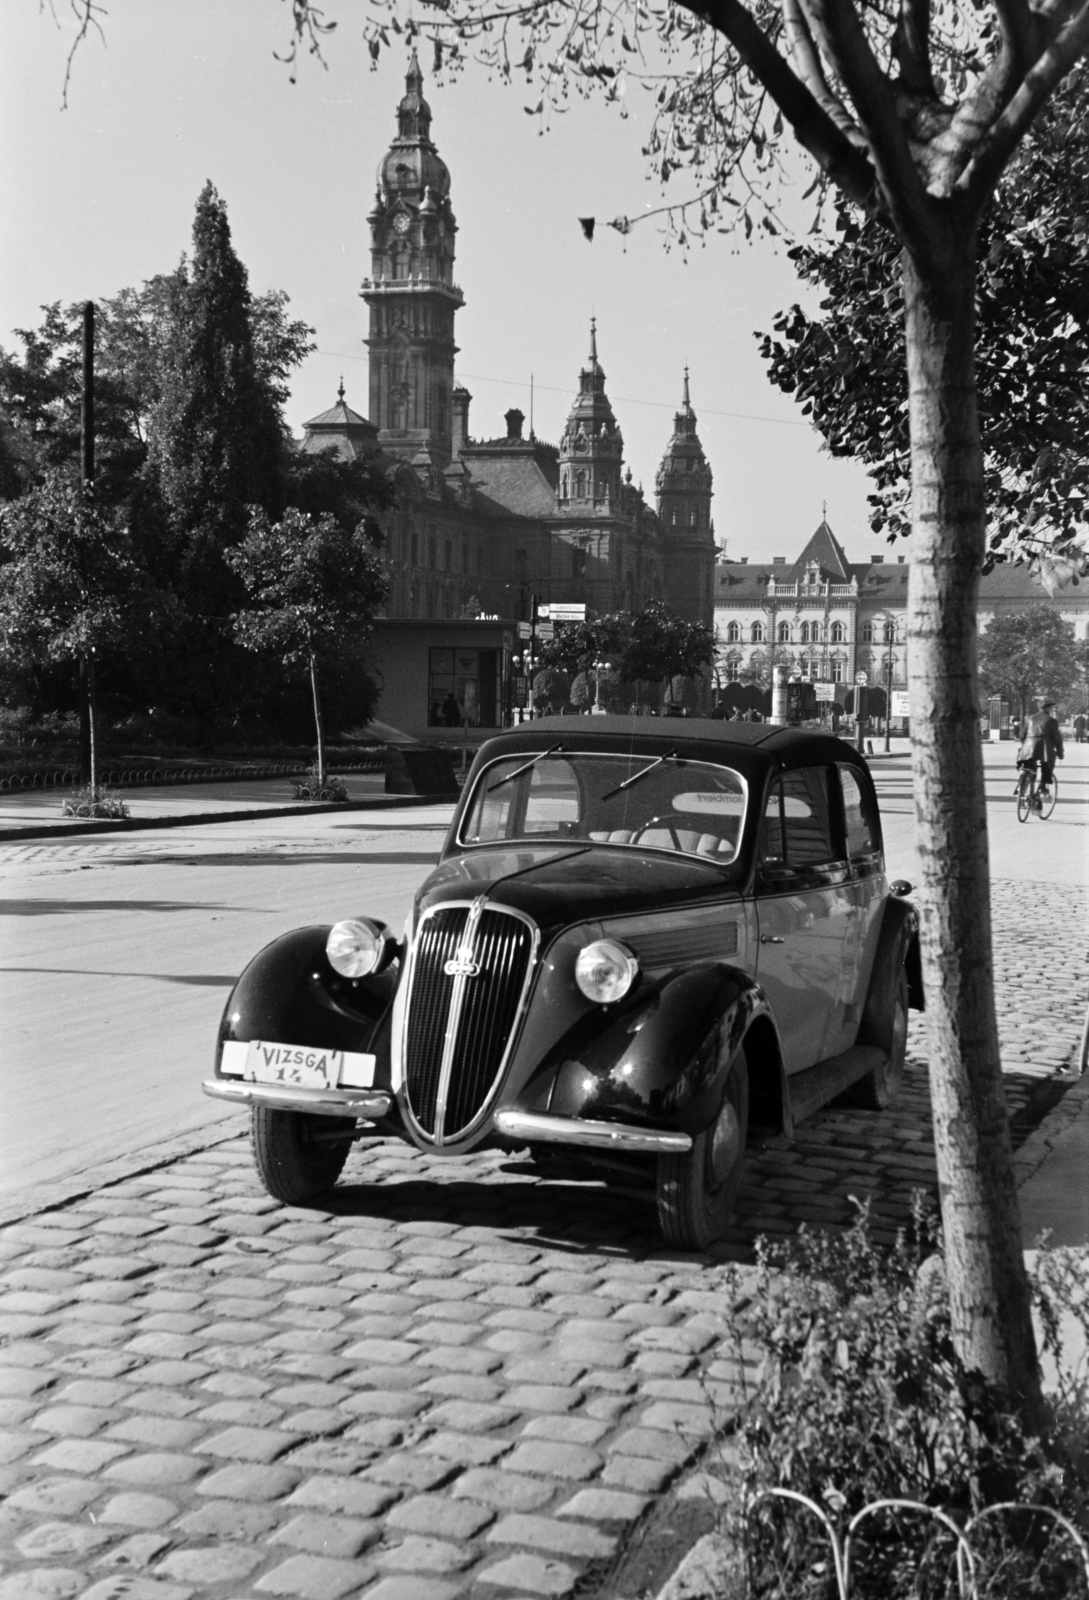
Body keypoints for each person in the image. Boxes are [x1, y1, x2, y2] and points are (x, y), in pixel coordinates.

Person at [1017, 696, 1065, 806]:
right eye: (1052, 708)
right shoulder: (1051, 721)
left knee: (1029, 768)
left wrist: (1025, 746)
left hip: (1028, 747)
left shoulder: (1029, 718)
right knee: (1048, 765)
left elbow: (1021, 735)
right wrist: (1060, 753)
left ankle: (1021, 792)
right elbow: (1057, 739)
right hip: (1044, 748)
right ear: (1048, 708)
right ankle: (1043, 786)